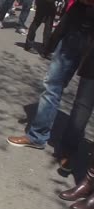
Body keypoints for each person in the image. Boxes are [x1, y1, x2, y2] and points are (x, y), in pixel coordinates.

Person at [6, 2, 94, 154]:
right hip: (76, 27)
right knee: (53, 84)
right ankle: (37, 136)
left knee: (84, 101)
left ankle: (67, 150)